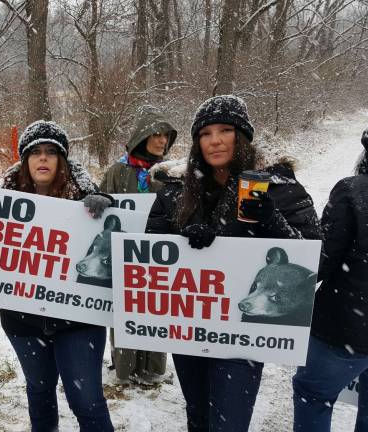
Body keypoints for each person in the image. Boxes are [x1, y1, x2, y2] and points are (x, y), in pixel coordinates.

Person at [146, 95, 321, 431]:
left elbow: (315, 262)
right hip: (190, 325)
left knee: (229, 423)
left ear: (241, 136)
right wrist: (179, 241)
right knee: (198, 416)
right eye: (205, 133)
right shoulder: (176, 190)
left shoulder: (279, 186)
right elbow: (148, 250)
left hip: (243, 334)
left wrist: (273, 221)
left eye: (225, 130)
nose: (215, 141)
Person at [0, 120, 114, 431]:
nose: (43, 158)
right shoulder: (2, 203)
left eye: (51, 152)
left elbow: (114, 239)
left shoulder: (87, 201)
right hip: (22, 319)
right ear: (25, 160)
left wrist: (108, 208)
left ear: (61, 159)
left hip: (78, 320)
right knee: (39, 393)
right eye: (35, 152)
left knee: (87, 401)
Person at [292, 111, 368, 432]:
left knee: (313, 394)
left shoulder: (354, 190)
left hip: (345, 330)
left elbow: (318, 263)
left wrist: (286, 225)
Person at [99, 106, 177, 385]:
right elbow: (102, 209)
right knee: (124, 310)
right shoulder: (118, 171)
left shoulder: (170, 173)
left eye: (166, 136)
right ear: (142, 136)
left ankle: (153, 369)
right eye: (156, 135)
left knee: (156, 309)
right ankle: (124, 369)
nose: (162, 141)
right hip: (123, 255)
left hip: (158, 257)